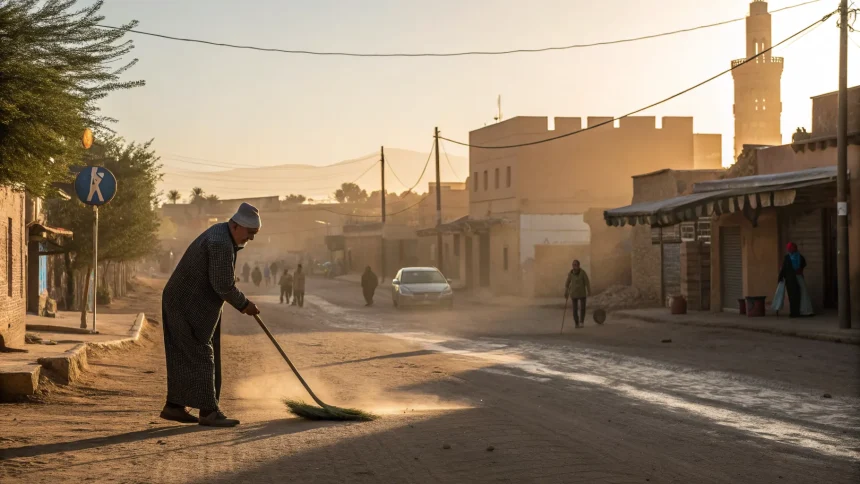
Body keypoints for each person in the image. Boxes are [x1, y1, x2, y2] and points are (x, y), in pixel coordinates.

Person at [160, 202, 261, 427]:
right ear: (236, 226)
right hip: (186, 303)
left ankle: (174, 406)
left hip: (188, 302)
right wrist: (245, 304)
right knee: (202, 354)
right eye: (250, 232)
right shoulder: (220, 242)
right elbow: (223, 285)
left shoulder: (223, 235)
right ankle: (208, 412)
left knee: (184, 356)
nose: (251, 238)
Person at [778, 242, 814, 318]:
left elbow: (803, 265)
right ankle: (794, 313)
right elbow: (784, 268)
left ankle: (805, 311)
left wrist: (800, 270)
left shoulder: (800, 257)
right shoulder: (787, 258)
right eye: (791, 247)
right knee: (792, 296)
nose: (793, 249)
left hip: (799, 278)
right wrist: (780, 277)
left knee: (803, 293)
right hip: (790, 280)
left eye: (794, 247)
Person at [564, 259, 591, 328]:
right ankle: (576, 323)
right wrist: (566, 292)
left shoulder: (582, 273)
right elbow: (567, 284)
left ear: (579, 266)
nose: (574, 266)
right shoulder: (571, 273)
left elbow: (587, 282)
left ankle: (581, 322)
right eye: (573, 265)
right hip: (574, 293)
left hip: (582, 293)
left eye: (575, 265)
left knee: (582, 308)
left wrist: (589, 291)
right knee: (574, 310)